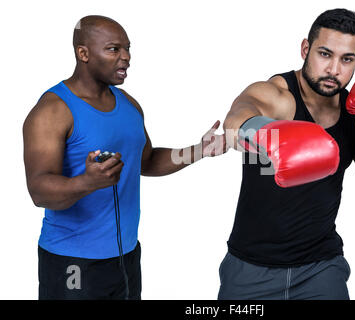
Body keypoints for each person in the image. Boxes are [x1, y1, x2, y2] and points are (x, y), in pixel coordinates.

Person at [23, 15, 228, 300]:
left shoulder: (129, 104)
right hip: (72, 260)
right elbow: (39, 191)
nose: (126, 57)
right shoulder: (52, 110)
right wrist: (86, 182)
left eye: (127, 49)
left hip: (126, 256)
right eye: (113, 49)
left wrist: (198, 151)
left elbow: (146, 161)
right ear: (83, 53)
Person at [219, 8, 355, 300]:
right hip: (250, 268)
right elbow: (234, 123)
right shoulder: (278, 96)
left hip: (322, 268)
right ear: (305, 49)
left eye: (346, 59)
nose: (334, 69)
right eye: (324, 54)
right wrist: (266, 134)